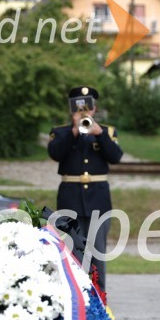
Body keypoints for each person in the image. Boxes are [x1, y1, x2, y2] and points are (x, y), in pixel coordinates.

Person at [48, 86, 123, 291]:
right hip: (70, 198)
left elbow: (115, 157)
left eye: (87, 107)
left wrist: (99, 134)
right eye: (78, 107)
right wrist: (74, 130)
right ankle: (74, 296)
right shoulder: (60, 132)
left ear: (94, 108)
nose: (83, 112)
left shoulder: (106, 131)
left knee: (97, 253)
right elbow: (55, 154)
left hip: (98, 199)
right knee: (71, 250)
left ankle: (99, 299)